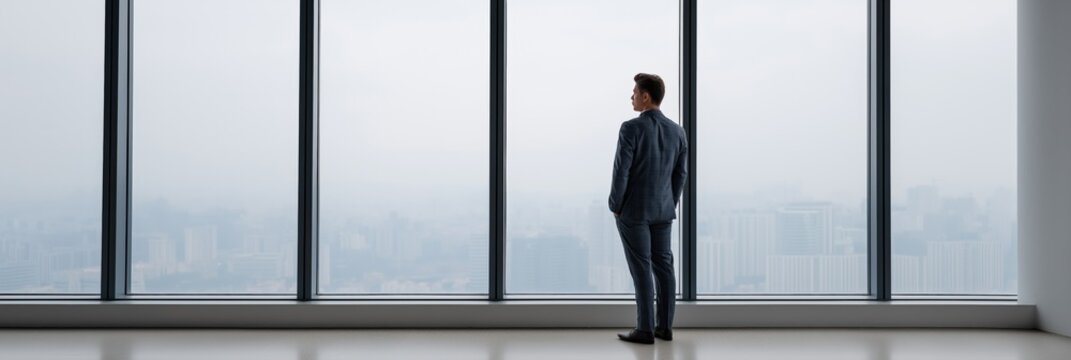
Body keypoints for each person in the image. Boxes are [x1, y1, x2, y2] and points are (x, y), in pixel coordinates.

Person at [609, 73, 688, 344]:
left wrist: (615, 204)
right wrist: (670, 202)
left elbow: (622, 171)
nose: (631, 97)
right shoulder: (678, 131)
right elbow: (680, 175)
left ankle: (644, 329)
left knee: (641, 268)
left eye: (634, 92)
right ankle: (664, 327)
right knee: (664, 267)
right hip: (663, 210)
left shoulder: (630, 129)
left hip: (634, 211)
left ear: (645, 96)